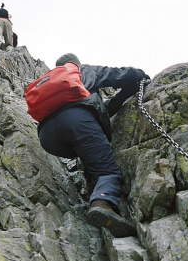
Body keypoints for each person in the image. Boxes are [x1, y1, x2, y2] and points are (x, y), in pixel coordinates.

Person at [37, 53, 150, 237]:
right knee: (107, 171)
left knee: (89, 154)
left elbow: (102, 108)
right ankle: (103, 203)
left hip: (47, 136)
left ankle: (94, 188)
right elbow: (117, 75)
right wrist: (139, 75)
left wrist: (123, 96)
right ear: (74, 63)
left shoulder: (50, 84)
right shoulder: (81, 70)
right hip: (77, 120)